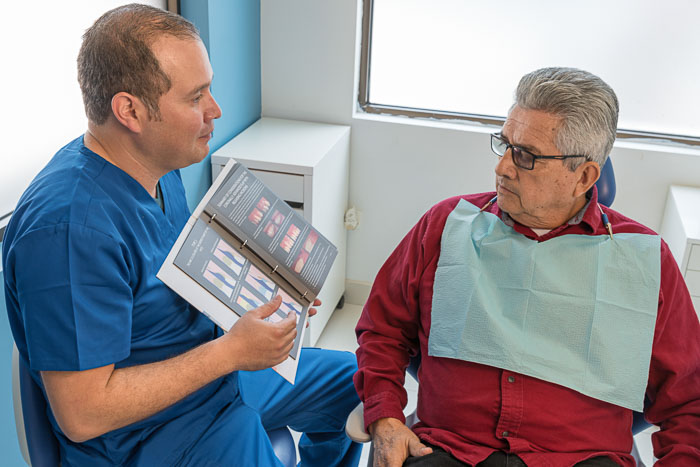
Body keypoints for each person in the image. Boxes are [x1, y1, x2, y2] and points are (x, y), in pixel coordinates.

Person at [2, 4, 361, 466]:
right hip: (152, 436)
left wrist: (273, 295)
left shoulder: (157, 167)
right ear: (129, 110)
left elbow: (177, 281)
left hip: (211, 373)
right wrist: (230, 352)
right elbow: (83, 414)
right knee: (245, 434)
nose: (216, 110)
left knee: (357, 380)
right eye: (195, 98)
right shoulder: (70, 232)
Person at [354, 67, 700, 466]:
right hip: (449, 448)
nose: (502, 168)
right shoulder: (446, 225)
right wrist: (386, 418)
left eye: (526, 156)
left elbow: (688, 402)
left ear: (584, 176)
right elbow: (382, 330)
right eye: (505, 145)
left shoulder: (644, 260)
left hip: (581, 458)